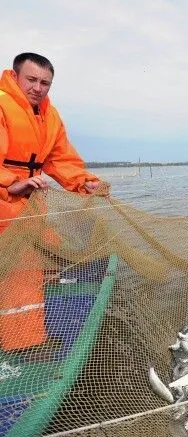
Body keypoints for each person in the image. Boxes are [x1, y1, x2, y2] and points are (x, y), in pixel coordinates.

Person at [0, 52, 105, 352]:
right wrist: (10, 183)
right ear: (15, 76)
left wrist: (85, 183)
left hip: (31, 202)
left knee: (41, 255)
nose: (38, 87)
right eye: (31, 79)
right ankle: (23, 344)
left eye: (45, 82)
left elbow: (61, 159)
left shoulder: (49, 115)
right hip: (5, 199)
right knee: (18, 270)